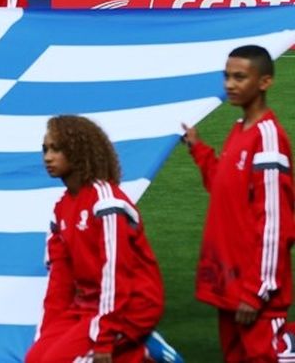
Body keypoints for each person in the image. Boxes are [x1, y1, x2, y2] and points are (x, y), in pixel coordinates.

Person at [181, 46, 295, 362]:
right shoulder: (239, 130)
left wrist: (256, 291)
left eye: (240, 77)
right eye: (227, 76)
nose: (230, 84)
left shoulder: (268, 138)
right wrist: (198, 149)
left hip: (256, 296)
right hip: (231, 289)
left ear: (265, 82)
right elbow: (224, 187)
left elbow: (276, 223)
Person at [27, 115, 166, 363]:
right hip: (87, 309)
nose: (47, 157)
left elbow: (115, 272)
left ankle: (144, 353)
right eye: (45, 149)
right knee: (35, 359)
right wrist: (47, 336)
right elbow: (59, 280)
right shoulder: (60, 210)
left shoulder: (107, 203)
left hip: (132, 308)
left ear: (78, 150)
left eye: (56, 149)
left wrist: (105, 337)